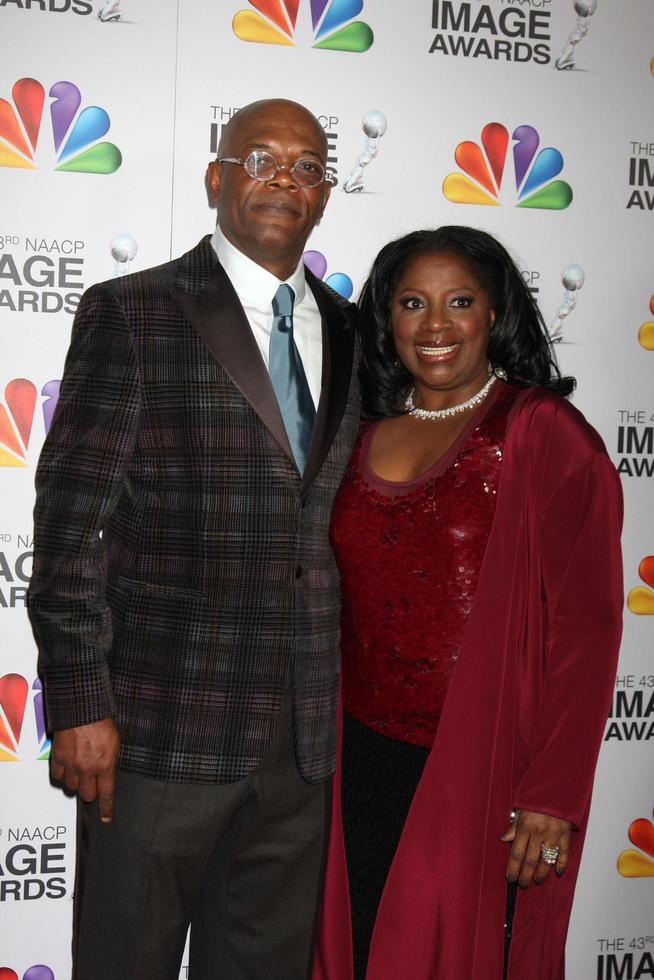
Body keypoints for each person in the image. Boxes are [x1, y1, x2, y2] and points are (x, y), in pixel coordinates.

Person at [28, 98, 360, 980]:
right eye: (260, 160)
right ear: (217, 178)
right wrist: (78, 701)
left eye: (305, 166)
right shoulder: (132, 314)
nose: (283, 180)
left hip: (300, 746)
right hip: (152, 731)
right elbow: (72, 523)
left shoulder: (357, 334)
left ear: (325, 196)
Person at [314, 227, 623, 980]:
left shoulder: (540, 433)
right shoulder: (356, 436)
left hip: (482, 769)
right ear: (386, 319)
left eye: (460, 302)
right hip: (355, 761)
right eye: (412, 303)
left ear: (495, 313)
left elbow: (586, 633)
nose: (436, 325)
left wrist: (550, 795)